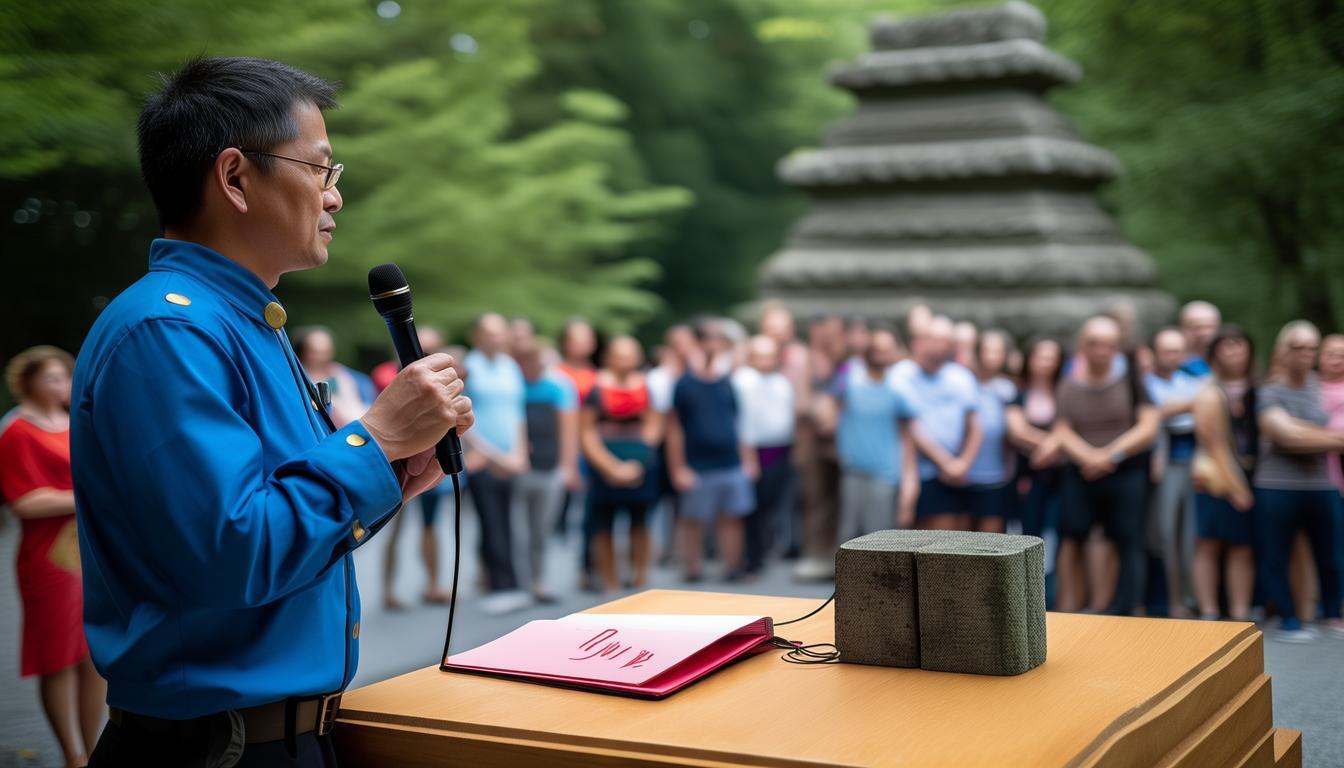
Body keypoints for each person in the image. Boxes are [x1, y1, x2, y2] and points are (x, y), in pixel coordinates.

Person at [71, 57, 472, 765]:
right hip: (219, 747)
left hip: (276, 736)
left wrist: (392, 475)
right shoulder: (169, 330)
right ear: (234, 177)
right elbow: (234, 552)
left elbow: (277, 534)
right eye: (320, 169)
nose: (334, 195)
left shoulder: (245, 322)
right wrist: (376, 439)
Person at [0, 347, 105, 768]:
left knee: (93, 654)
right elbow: (22, 501)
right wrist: (86, 496)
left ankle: (94, 750)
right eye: (51, 377)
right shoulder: (16, 431)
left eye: (65, 375)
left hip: (87, 552)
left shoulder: (75, 422)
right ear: (27, 382)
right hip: (49, 558)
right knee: (57, 656)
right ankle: (71, 753)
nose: (62, 384)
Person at [1049, 316, 1160, 615]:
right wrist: (1089, 457)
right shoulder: (1068, 385)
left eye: (1108, 344)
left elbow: (1148, 426)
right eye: (1094, 343)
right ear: (1083, 346)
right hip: (1080, 472)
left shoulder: (1132, 382)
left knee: (1128, 537)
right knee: (1074, 534)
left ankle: (1127, 607)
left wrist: (1109, 455)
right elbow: (1061, 429)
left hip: (1125, 471)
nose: (1101, 351)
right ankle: (1071, 608)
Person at [1252, 321, 1344, 642]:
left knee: (1331, 554)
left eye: (1311, 348)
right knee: (1276, 553)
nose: (1306, 354)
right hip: (1276, 484)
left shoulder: (1322, 387)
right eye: (1298, 347)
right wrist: (1328, 438)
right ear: (1283, 350)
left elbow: (1294, 433)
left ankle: (1332, 613)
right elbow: (1284, 435)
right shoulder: (1269, 390)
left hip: (1322, 483)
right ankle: (1289, 619)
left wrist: (1300, 431)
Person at [667, 320, 755, 582]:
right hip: (697, 464)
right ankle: (692, 568)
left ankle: (732, 568)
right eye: (708, 339)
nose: (713, 345)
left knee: (733, 517)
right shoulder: (684, 384)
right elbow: (674, 428)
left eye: (718, 339)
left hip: (730, 462)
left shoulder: (727, 382)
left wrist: (747, 459)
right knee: (693, 519)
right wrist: (678, 467)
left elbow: (739, 423)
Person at [379, 338, 460, 610]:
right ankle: (388, 590)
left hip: (427, 462)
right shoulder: (389, 381)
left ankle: (433, 583)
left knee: (430, 525)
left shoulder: (437, 383)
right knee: (393, 529)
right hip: (396, 465)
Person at [581, 336, 662, 592]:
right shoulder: (596, 389)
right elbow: (587, 432)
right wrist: (610, 466)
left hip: (640, 466)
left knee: (641, 521)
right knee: (603, 524)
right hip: (605, 467)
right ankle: (610, 580)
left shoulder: (646, 387)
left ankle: (640, 577)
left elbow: (654, 426)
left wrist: (638, 462)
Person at [463, 312, 530, 615]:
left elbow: (517, 414)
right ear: (477, 336)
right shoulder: (469, 367)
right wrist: (494, 456)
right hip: (482, 459)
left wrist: (519, 454)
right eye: (490, 333)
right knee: (491, 523)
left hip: (512, 459)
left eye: (500, 332)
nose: (496, 338)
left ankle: (511, 582)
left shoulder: (510, 366)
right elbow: (462, 419)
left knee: (509, 522)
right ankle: (499, 586)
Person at [1190, 326, 1258, 621]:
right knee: (1209, 542)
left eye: (1239, 344)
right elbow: (1214, 443)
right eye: (1226, 345)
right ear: (1215, 352)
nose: (1233, 351)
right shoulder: (1208, 390)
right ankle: (1209, 611)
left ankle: (1241, 612)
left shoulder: (1257, 387)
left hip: (1252, 472)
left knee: (1243, 545)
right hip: (1217, 478)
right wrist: (1237, 488)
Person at [890, 316, 982, 530]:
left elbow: (975, 426)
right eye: (933, 340)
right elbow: (908, 426)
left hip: (960, 473)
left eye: (944, 342)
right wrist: (945, 462)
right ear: (919, 341)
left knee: (958, 536)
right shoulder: (901, 374)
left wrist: (963, 463)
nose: (938, 347)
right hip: (917, 473)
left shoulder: (961, 377)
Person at [833, 327, 919, 543]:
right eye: (876, 347)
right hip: (852, 470)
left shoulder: (899, 388)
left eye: (886, 348)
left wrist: (909, 482)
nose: (880, 353)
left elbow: (909, 435)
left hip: (884, 474)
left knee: (877, 540)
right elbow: (833, 409)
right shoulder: (850, 380)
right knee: (848, 537)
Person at [1144, 327, 1206, 617]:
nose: (1173, 356)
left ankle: (1190, 598)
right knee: (1164, 534)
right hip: (1162, 465)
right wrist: (1189, 405)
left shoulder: (1191, 381)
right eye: (1167, 351)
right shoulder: (1145, 384)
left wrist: (1171, 410)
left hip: (1193, 463)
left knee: (1190, 534)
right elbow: (1155, 414)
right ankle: (1169, 602)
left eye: (1177, 350)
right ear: (1155, 353)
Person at [513, 340, 574, 603]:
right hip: (520, 469)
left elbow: (568, 429)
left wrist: (567, 466)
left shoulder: (557, 388)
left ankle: (538, 580)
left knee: (541, 530)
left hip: (549, 468)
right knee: (517, 530)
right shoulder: (514, 387)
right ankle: (516, 580)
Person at [732, 335, 797, 574]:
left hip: (780, 450)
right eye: (760, 356)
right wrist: (748, 458)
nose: (766, 361)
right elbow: (743, 422)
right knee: (752, 508)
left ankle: (765, 550)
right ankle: (751, 557)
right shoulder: (743, 381)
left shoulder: (781, 381)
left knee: (771, 505)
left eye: (770, 356)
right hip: (754, 451)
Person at [792, 314, 843, 581]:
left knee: (841, 501)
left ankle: (837, 555)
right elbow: (800, 402)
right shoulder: (806, 360)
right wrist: (820, 409)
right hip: (812, 442)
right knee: (816, 500)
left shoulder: (843, 360)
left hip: (842, 442)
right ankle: (815, 554)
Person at [1006, 339, 1065, 539]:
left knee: (1061, 530)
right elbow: (1017, 431)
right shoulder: (1018, 393)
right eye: (1041, 357)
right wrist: (1052, 443)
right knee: (1029, 530)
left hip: (1061, 474)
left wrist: (1052, 446)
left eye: (1051, 358)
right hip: (1028, 474)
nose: (1046, 362)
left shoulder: (1065, 392)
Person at [965, 329, 1018, 533]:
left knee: (990, 539)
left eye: (997, 351)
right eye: (987, 350)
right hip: (963, 476)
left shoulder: (1008, 388)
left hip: (996, 476)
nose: (991, 356)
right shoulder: (964, 383)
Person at [293, 325, 376, 427]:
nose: (322, 357)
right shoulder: (296, 383)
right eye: (315, 352)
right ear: (302, 353)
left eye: (326, 351)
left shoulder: (353, 379)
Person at [1320, 333, 1344, 496]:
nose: (1336, 360)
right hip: (1318, 463)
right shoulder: (1309, 387)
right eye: (1330, 354)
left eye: (1341, 355)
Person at [1179, 301, 1221, 377]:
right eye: (1197, 327)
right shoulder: (1175, 363)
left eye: (1209, 327)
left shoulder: (1229, 361)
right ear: (1183, 329)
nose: (1204, 333)